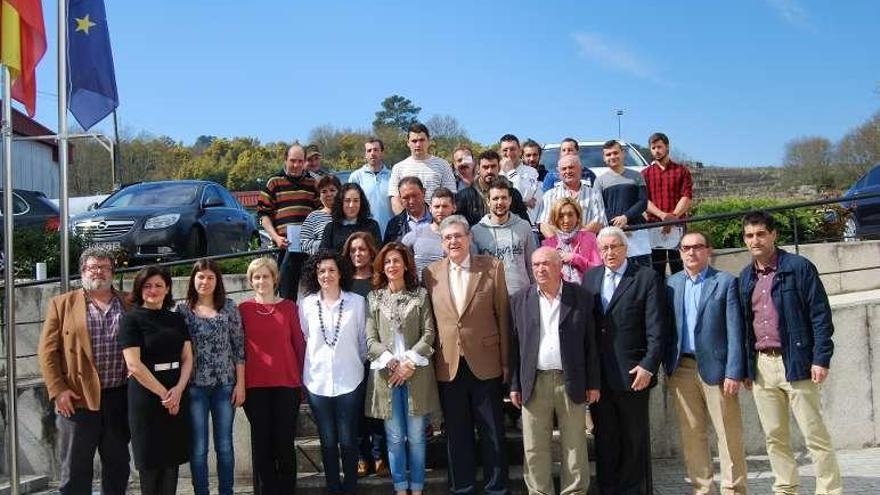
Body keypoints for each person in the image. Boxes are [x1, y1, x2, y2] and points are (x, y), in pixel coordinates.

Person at [739, 211, 842, 495]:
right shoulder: (746, 276)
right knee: (774, 436)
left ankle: (829, 490)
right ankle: (785, 488)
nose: (755, 240)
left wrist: (821, 358)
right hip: (762, 366)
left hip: (796, 362)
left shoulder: (799, 267)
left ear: (774, 235)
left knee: (813, 434)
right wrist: (748, 369)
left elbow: (820, 315)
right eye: (749, 235)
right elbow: (745, 326)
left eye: (761, 233)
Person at [423, 215, 510, 495]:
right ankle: (462, 488)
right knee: (457, 434)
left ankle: (497, 488)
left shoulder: (492, 268)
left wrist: (507, 362)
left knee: (492, 431)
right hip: (449, 364)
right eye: (448, 237)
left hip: (486, 362)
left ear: (469, 238)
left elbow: (503, 317)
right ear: (442, 242)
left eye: (458, 236)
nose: (453, 241)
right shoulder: (431, 273)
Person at [38, 247, 132, 495]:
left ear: (112, 271)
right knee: (76, 469)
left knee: (118, 465)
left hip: (119, 397)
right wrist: (58, 390)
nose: (98, 271)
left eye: (104, 267)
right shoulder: (62, 304)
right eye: (93, 267)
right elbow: (47, 352)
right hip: (77, 398)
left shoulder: (129, 302)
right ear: (82, 271)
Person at [581, 227, 666, 494]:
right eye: (604, 248)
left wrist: (649, 365)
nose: (609, 252)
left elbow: (657, 328)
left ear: (625, 247)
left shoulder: (645, 277)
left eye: (614, 247)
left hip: (634, 374)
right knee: (605, 438)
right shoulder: (591, 278)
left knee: (633, 440)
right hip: (601, 378)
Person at [509, 247, 601, 495]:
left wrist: (593, 383)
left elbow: (590, 344)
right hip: (534, 382)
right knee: (535, 447)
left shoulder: (581, 297)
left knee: (574, 446)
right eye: (536, 264)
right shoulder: (520, 299)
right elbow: (515, 346)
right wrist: (515, 384)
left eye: (546, 264)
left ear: (560, 266)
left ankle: (574, 492)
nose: (540, 269)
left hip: (571, 380)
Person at [664, 232, 747, 494]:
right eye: (686, 248)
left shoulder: (725, 283)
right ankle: (702, 489)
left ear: (708, 251)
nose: (691, 253)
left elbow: (736, 330)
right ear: (679, 252)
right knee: (692, 434)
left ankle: (733, 489)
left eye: (697, 247)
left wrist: (734, 371)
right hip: (682, 369)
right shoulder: (671, 284)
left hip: (719, 370)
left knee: (728, 434)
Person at [365, 243, 442, 495]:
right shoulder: (374, 297)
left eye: (396, 261)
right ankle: (400, 488)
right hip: (387, 375)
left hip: (415, 374)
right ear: (382, 267)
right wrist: (390, 360)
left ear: (406, 264)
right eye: (387, 262)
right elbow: (370, 339)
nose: (392, 266)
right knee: (395, 437)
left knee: (417, 437)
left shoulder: (420, 295)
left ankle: (417, 488)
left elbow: (429, 333)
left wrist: (408, 362)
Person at [119, 266, 192, 495]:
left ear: (167, 288)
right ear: (140, 289)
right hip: (147, 398)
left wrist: (178, 390)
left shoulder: (176, 319)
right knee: (150, 465)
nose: (153, 290)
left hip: (176, 394)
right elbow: (134, 364)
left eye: (159, 285)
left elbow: (188, 357)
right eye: (148, 285)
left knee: (171, 465)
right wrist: (165, 394)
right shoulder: (131, 320)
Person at [300, 250, 367, 494]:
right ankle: (332, 487)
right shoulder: (306, 304)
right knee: (327, 440)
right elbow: (307, 337)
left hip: (350, 379)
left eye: (331, 270)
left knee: (348, 439)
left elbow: (362, 342)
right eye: (321, 271)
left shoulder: (357, 303)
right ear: (315, 276)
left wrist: (352, 363)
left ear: (340, 273)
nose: (326, 275)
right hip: (317, 381)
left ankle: (350, 487)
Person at [175, 260, 245, 495]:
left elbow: (239, 348)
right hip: (195, 388)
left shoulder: (229, 307)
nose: (205, 282)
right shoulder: (182, 310)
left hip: (225, 386)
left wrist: (240, 384)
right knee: (199, 448)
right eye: (200, 277)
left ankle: (227, 491)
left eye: (210, 277)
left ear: (217, 281)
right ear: (193, 280)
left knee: (224, 445)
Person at [239, 257, 306, 495]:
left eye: (265, 276)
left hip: (286, 385)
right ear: (250, 281)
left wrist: (302, 384)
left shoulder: (289, 307)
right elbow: (238, 351)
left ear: (275, 278)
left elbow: (299, 346)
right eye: (256, 277)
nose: (261, 281)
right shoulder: (243, 310)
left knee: (284, 444)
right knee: (262, 446)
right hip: (255, 387)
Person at [342, 232, 389, 477]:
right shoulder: (344, 283)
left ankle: (380, 454)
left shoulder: (380, 280)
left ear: (371, 251)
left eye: (362, 249)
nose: (357, 254)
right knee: (357, 408)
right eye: (353, 250)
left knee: (378, 405)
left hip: (380, 352)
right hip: (352, 354)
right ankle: (362, 456)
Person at [257, 143, 318, 299]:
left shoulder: (313, 184)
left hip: (309, 250)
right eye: (292, 160)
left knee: (312, 296)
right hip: (286, 248)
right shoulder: (273, 183)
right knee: (286, 296)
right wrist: (276, 238)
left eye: (300, 161)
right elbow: (264, 216)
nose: (296, 165)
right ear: (285, 160)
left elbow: (320, 213)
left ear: (305, 161)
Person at [471, 177, 537, 296]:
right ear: (488, 201)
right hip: (491, 298)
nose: (500, 202)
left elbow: (533, 265)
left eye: (503, 198)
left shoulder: (524, 226)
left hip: (522, 297)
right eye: (495, 198)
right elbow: (474, 272)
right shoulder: (477, 231)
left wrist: (535, 293)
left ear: (510, 200)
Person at [593, 140, 653, 268]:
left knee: (643, 268)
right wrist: (617, 225)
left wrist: (626, 217)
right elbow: (599, 207)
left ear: (623, 153)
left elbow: (643, 202)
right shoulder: (600, 181)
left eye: (615, 153)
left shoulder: (636, 176)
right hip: (612, 232)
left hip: (636, 230)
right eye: (608, 154)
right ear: (604, 158)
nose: (612, 157)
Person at [642, 132, 693, 277]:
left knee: (679, 266)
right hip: (654, 225)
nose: (656, 151)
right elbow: (644, 200)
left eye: (659, 147)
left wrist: (673, 218)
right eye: (653, 148)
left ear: (667, 147)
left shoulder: (681, 171)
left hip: (677, 225)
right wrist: (663, 216)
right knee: (656, 268)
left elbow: (686, 196)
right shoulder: (645, 174)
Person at [388, 122, 457, 214]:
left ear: (428, 141)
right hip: (408, 224)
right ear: (408, 143)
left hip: (437, 222)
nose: (418, 144)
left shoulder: (443, 165)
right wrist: (406, 222)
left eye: (421, 140)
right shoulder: (398, 168)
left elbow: (450, 197)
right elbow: (395, 200)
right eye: (414, 141)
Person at [538, 153, 605, 239]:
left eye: (571, 167)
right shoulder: (549, 195)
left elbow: (599, 221)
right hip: (558, 248)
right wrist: (561, 244)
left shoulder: (594, 194)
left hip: (587, 246)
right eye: (564, 169)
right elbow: (544, 225)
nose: (568, 171)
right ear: (559, 172)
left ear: (580, 169)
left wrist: (576, 240)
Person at [455, 149, 529, 226]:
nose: (489, 171)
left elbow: (525, 223)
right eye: (485, 167)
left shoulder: (513, 194)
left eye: (493, 166)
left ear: (499, 168)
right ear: (478, 169)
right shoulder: (464, 196)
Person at [541, 197, 602, 284]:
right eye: (561, 216)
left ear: (578, 217)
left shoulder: (590, 238)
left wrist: (576, 259)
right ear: (555, 219)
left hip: (586, 291)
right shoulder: (548, 244)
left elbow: (599, 271)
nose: (566, 220)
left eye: (570, 215)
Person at [402, 187, 456, 279]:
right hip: (420, 290)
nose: (440, 211)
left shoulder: (461, 238)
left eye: (445, 206)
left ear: (454, 208)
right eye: (437, 206)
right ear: (430, 208)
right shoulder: (416, 235)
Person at [349, 138, 393, 239]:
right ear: (365, 155)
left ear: (382, 153)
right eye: (369, 150)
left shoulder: (393, 176)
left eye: (376, 150)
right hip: (365, 234)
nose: (372, 153)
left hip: (390, 232)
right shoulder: (356, 177)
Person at [319, 182, 382, 251]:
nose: (351, 205)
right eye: (347, 201)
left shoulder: (372, 226)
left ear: (361, 203)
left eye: (356, 201)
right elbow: (323, 255)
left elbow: (377, 254)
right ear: (341, 203)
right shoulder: (331, 228)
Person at [499, 134, 543, 225]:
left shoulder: (531, 172)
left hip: (525, 224)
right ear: (500, 152)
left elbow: (520, 195)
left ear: (519, 151)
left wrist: (511, 171)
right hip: (502, 223)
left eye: (512, 149)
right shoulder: (498, 173)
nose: (509, 153)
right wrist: (525, 203)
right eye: (505, 150)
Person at [300, 174, 341, 255]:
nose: (329, 194)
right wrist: (326, 244)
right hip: (323, 263)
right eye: (324, 191)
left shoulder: (347, 213)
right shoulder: (313, 216)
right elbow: (304, 244)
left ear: (339, 192)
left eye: (332, 190)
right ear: (320, 196)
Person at [384, 176, 432, 244]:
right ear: (400, 198)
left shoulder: (438, 218)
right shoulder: (394, 225)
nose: (411, 201)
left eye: (414, 196)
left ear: (423, 192)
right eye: (406, 198)